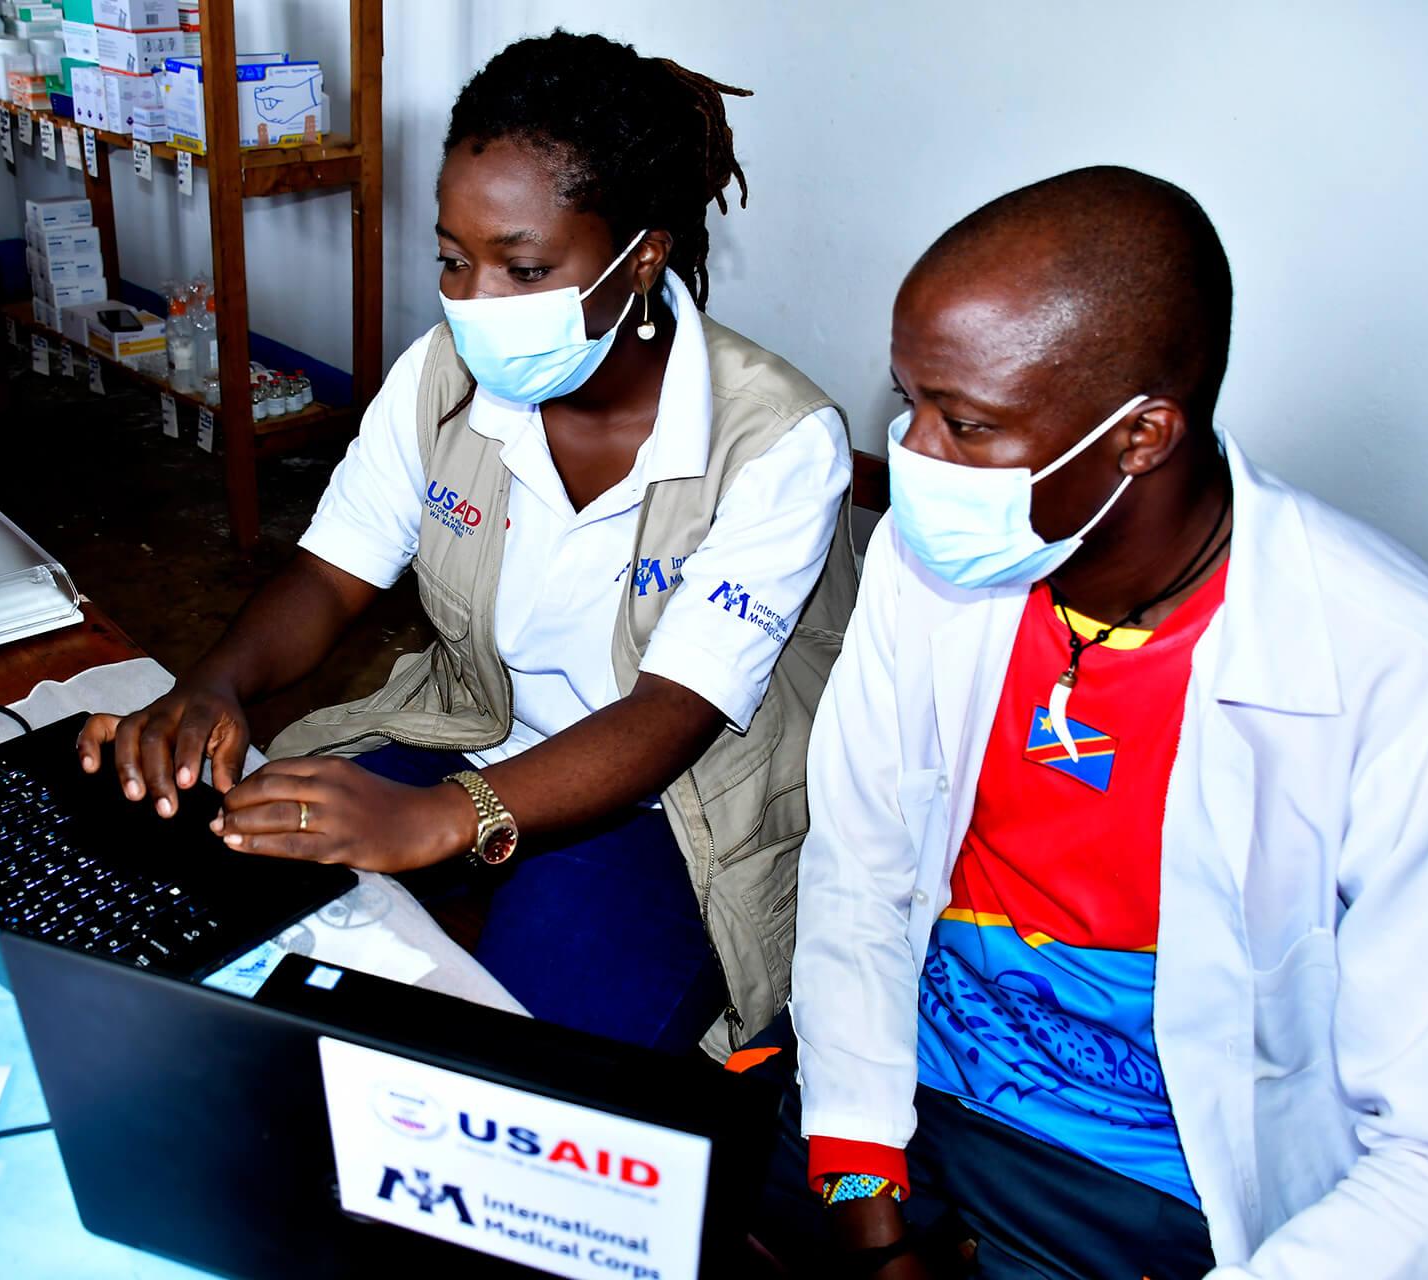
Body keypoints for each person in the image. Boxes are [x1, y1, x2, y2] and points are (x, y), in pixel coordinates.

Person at [762, 166, 1428, 1278]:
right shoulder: (929, 567)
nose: (914, 454)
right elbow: (860, 880)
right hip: (893, 1111)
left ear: (1143, 436)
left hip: (1152, 1192)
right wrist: (865, 1212)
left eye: (968, 422)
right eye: (911, 401)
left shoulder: (1421, 679)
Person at [76, 31, 856, 1058]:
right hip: (469, 729)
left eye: (524, 266)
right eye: (454, 258)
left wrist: (449, 816)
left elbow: (673, 715)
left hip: (671, 805)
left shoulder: (778, 442)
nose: (475, 301)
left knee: (516, 1057)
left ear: (645, 253)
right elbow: (329, 571)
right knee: (220, 888)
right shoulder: (444, 377)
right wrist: (215, 685)